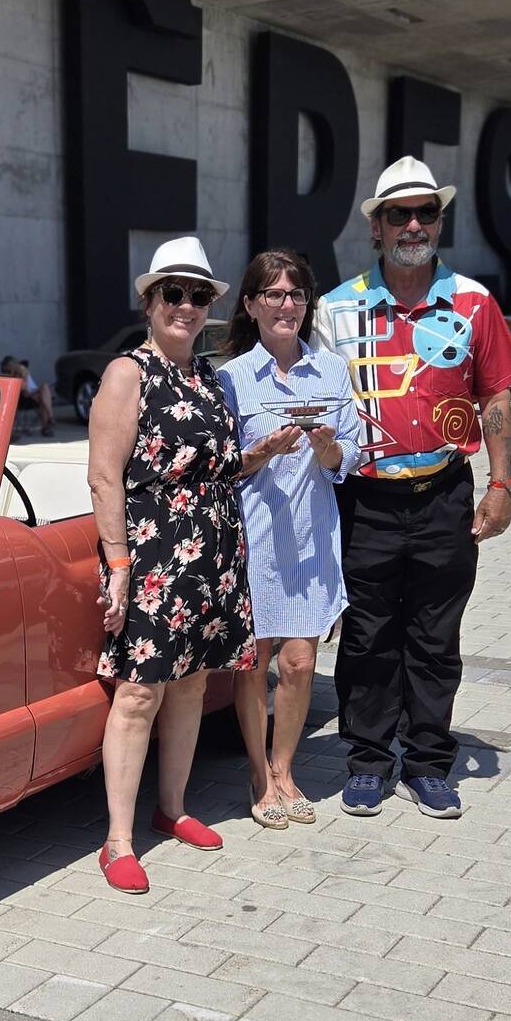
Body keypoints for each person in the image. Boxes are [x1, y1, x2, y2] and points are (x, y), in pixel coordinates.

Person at [317, 156, 511, 820]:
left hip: (443, 496)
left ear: (439, 220)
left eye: (425, 211)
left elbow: (494, 393)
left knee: (436, 635)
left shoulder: (473, 301)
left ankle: (430, 762)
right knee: (368, 636)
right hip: (364, 499)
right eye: (398, 214)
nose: (413, 223)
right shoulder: (336, 309)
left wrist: (502, 484)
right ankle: (369, 761)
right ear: (375, 228)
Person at [86, 236, 257, 895]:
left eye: (198, 296)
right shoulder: (130, 372)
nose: (186, 306)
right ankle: (118, 841)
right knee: (137, 693)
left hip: (211, 551)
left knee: (190, 685)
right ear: (151, 301)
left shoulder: (206, 375)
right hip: (153, 553)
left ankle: (174, 807)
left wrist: (259, 455)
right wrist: (120, 564)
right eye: (173, 294)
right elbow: (104, 477)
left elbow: (215, 466)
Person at [215, 250, 361, 830]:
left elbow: (349, 454)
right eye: (272, 294)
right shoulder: (229, 378)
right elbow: (223, 465)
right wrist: (261, 452)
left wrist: (328, 450)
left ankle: (284, 768)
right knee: (254, 663)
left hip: (311, 535)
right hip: (255, 538)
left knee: (300, 662)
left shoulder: (331, 371)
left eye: (296, 294)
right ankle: (257, 772)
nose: (286, 305)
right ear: (250, 306)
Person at [0, 356, 56, 437]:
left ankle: (50, 418)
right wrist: (12, 374)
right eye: (7, 369)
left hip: (34, 393)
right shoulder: (9, 375)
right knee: (43, 396)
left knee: (44, 388)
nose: (7, 370)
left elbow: (26, 385)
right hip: (24, 397)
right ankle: (48, 422)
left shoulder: (21, 369)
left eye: (9, 368)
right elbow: (23, 389)